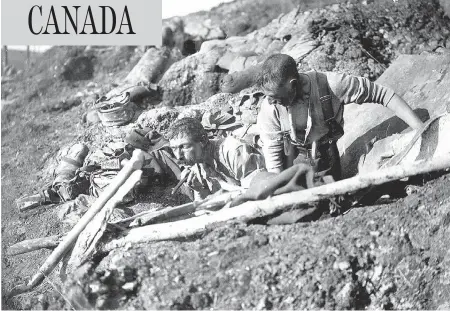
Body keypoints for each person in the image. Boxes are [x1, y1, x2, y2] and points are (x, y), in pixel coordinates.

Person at [256, 54, 424, 180]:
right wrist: (276, 184)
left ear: (292, 85)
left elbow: (382, 94)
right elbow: (272, 150)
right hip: (292, 160)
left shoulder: (331, 85)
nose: (270, 101)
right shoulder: (270, 108)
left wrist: (421, 130)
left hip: (326, 157)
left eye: (275, 96)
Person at [145, 117, 266, 200]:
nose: (178, 155)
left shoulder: (233, 151)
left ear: (202, 140)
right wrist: (198, 189)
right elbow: (203, 209)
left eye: (184, 147)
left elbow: (256, 194)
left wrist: (218, 180)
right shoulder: (196, 163)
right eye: (174, 148)